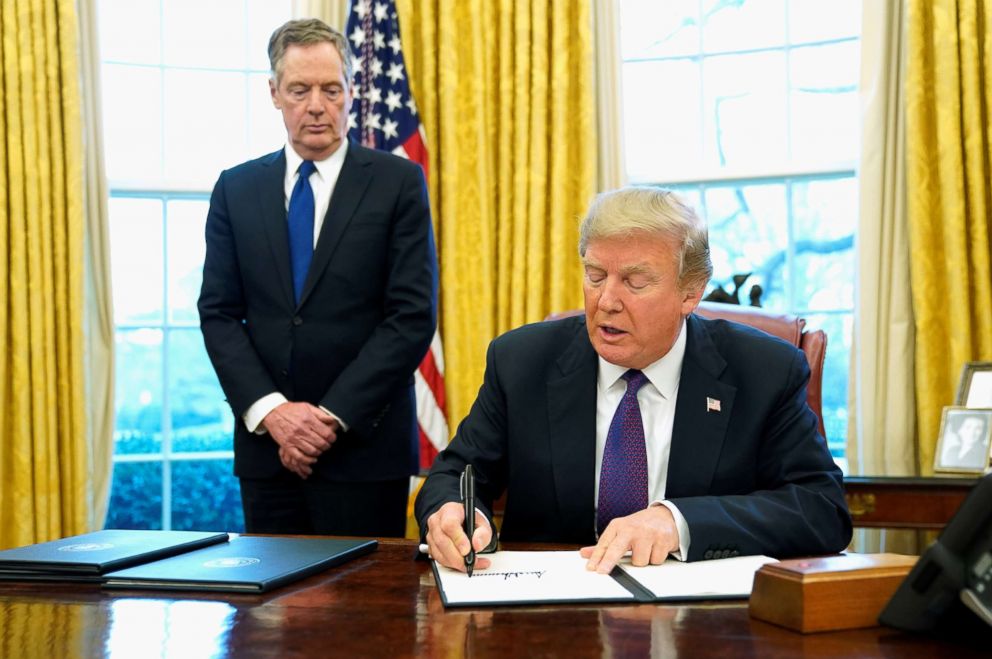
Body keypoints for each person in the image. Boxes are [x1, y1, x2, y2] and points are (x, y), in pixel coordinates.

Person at [416, 187, 851, 573]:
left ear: (691, 292)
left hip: (704, 624)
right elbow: (455, 473)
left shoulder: (764, 371)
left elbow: (821, 509)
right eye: (595, 275)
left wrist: (679, 522)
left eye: (635, 282)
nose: (606, 301)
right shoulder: (523, 362)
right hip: (552, 618)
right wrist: (451, 511)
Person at [198, 18, 437, 537]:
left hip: (365, 452)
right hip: (268, 453)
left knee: (367, 616)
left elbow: (412, 316)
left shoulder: (398, 183)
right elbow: (218, 313)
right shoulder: (234, 189)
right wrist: (275, 414)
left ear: (351, 92)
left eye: (331, 90)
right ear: (274, 93)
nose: (316, 105)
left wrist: (327, 419)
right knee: (270, 616)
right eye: (299, 90)